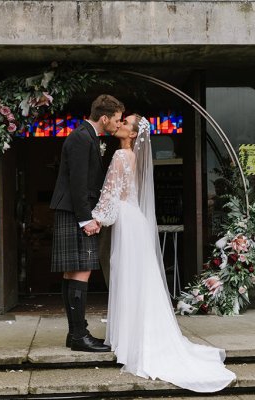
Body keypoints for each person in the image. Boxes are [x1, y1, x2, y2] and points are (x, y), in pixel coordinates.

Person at [91, 114, 236, 392]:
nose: (119, 124)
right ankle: (134, 336)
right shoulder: (131, 156)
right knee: (138, 279)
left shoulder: (121, 156)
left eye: (125, 123)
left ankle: (130, 339)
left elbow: (110, 196)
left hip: (124, 220)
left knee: (128, 277)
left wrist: (96, 219)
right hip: (135, 221)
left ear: (133, 134)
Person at [50, 94, 124, 352]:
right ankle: (80, 335)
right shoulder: (82, 138)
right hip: (75, 212)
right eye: (116, 119)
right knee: (81, 271)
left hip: (72, 210)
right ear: (103, 118)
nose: (118, 124)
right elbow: (78, 182)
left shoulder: (85, 136)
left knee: (72, 272)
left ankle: (75, 334)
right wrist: (86, 219)